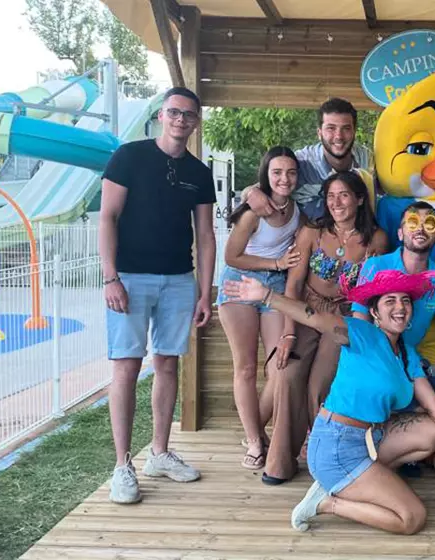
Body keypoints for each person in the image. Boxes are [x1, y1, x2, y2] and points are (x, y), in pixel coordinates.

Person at [221, 269, 435, 535]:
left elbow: (434, 407)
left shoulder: (406, 353)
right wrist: (267, 296)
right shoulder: (359, 333)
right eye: (390, 301)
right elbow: (313, 317)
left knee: (433, 431)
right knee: (412, 518)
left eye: (405, 301)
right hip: (336, 445)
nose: (400, 307)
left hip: (371, 438)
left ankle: (359, 483)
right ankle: (327, 502)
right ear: (374, 312)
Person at [99, 87, 216, 504]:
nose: (181, 120)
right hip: (129, 278)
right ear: (162, 115)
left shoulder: (199, 173)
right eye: (174, 112)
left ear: (196, 121)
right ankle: (122, 465)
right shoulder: (129, 157)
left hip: (179, 279)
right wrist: (110, 277)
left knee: (167, 363)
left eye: (189, 114)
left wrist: (204, 292)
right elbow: (108, 217)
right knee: (126, 367)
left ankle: (160, 453)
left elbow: (205, 235)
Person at [261, 170, 388, 484]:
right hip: (305, 311)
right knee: (287, 373)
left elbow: (372, 293)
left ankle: (324, 454)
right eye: (331, 196)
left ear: (360, 199)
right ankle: (280, 462)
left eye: (344, 195)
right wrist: (288, 333)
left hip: (343, 318)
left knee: (320, 383)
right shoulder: (312, 232)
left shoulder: (376, 239)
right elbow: (293, 285)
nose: (336, 203)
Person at [215, 146, 302, 471]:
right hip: (239, 284)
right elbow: (231, 256)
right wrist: (275, 263)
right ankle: (254, 440)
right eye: (277, 172)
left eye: (291, 172)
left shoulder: (296, 209)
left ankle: (262, 430)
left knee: (280, 366)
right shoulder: (253, 212)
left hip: (274, 287)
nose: (284, 179)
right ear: (266, 174)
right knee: (246, 368)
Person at [353, 201, 435, 385]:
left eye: (429, 223)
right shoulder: (375, 266)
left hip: (409, 361)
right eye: (413, 222)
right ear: (400, 233)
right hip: (374, 356)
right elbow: (359, 323)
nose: (420, 229)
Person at [242, 98, 372, 222]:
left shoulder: (366, 157)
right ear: (319, 133)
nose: (339, 136)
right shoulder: (301, 162)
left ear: (354, 131)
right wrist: (251, 193)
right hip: (310, 231)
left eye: (346, 128)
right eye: (331, 128)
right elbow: (260, 187)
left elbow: (381, 188)